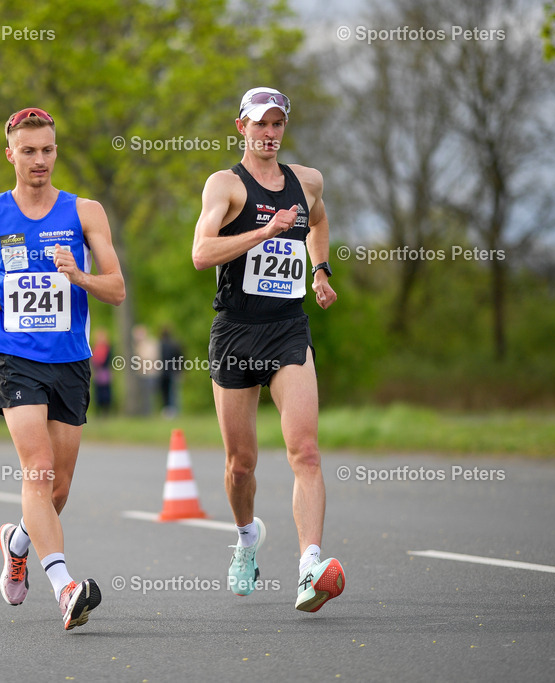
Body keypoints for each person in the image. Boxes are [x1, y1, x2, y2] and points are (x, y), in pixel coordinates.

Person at [0, 107, 125, 631]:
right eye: (29, 152)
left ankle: (16, 542)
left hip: (70, 360)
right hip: (14, 357)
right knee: (38, 469)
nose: (39, 160)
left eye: (47, 150)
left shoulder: (86, 212)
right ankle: (65, 587)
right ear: (10, 155)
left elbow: (117, 289)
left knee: (59, 487)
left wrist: (82, 276)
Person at [191, 87, 345, 613]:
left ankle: (310, 567)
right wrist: (263, 232)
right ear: (241, 128)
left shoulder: (308, 182)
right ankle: (247, 539)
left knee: (304, 449)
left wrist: (320, 269)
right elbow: (201, 252)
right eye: (259, 125)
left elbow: (318, 222)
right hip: (236, 331)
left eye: (277, 124)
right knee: (241, 465)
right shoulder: (226, 185)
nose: (269, 133)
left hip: (287, 330)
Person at [158, 327, 183, 418]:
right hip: (173, 371)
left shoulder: (159, 344)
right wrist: (180, 370)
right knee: (173, 392)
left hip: (162, 371)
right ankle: (173, 410)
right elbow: (180, 358)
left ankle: (167, 410)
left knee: (165, 392)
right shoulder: (175, 344)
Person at [90, 329, 114, 416]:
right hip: (97, 372)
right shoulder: (94, 347)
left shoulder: (108, 348)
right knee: (97, 392)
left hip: (105, 372)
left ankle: (106, 411)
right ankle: (98, 411)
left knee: (106, 392)